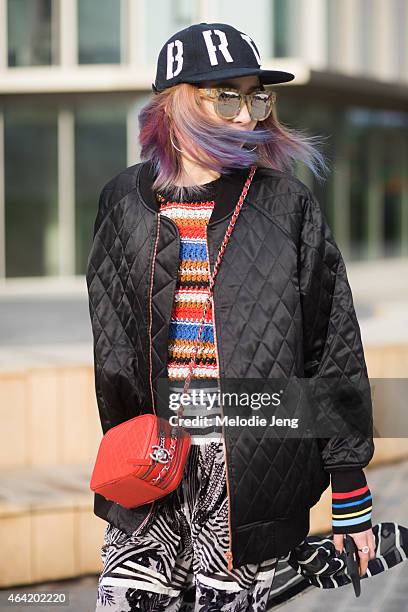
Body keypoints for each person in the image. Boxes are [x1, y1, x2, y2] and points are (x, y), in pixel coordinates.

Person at [87, 22, 407, 612]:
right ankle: (292, 569)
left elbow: (331, 347)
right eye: (227, 95)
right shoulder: (123, 202)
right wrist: (125, 444)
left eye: (257, 95)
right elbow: (113, 346)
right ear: (176, 101)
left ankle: (287, 567)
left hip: (256, 465)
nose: (247, 115)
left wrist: (351, 494)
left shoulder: (287, 204)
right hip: (153, 464)